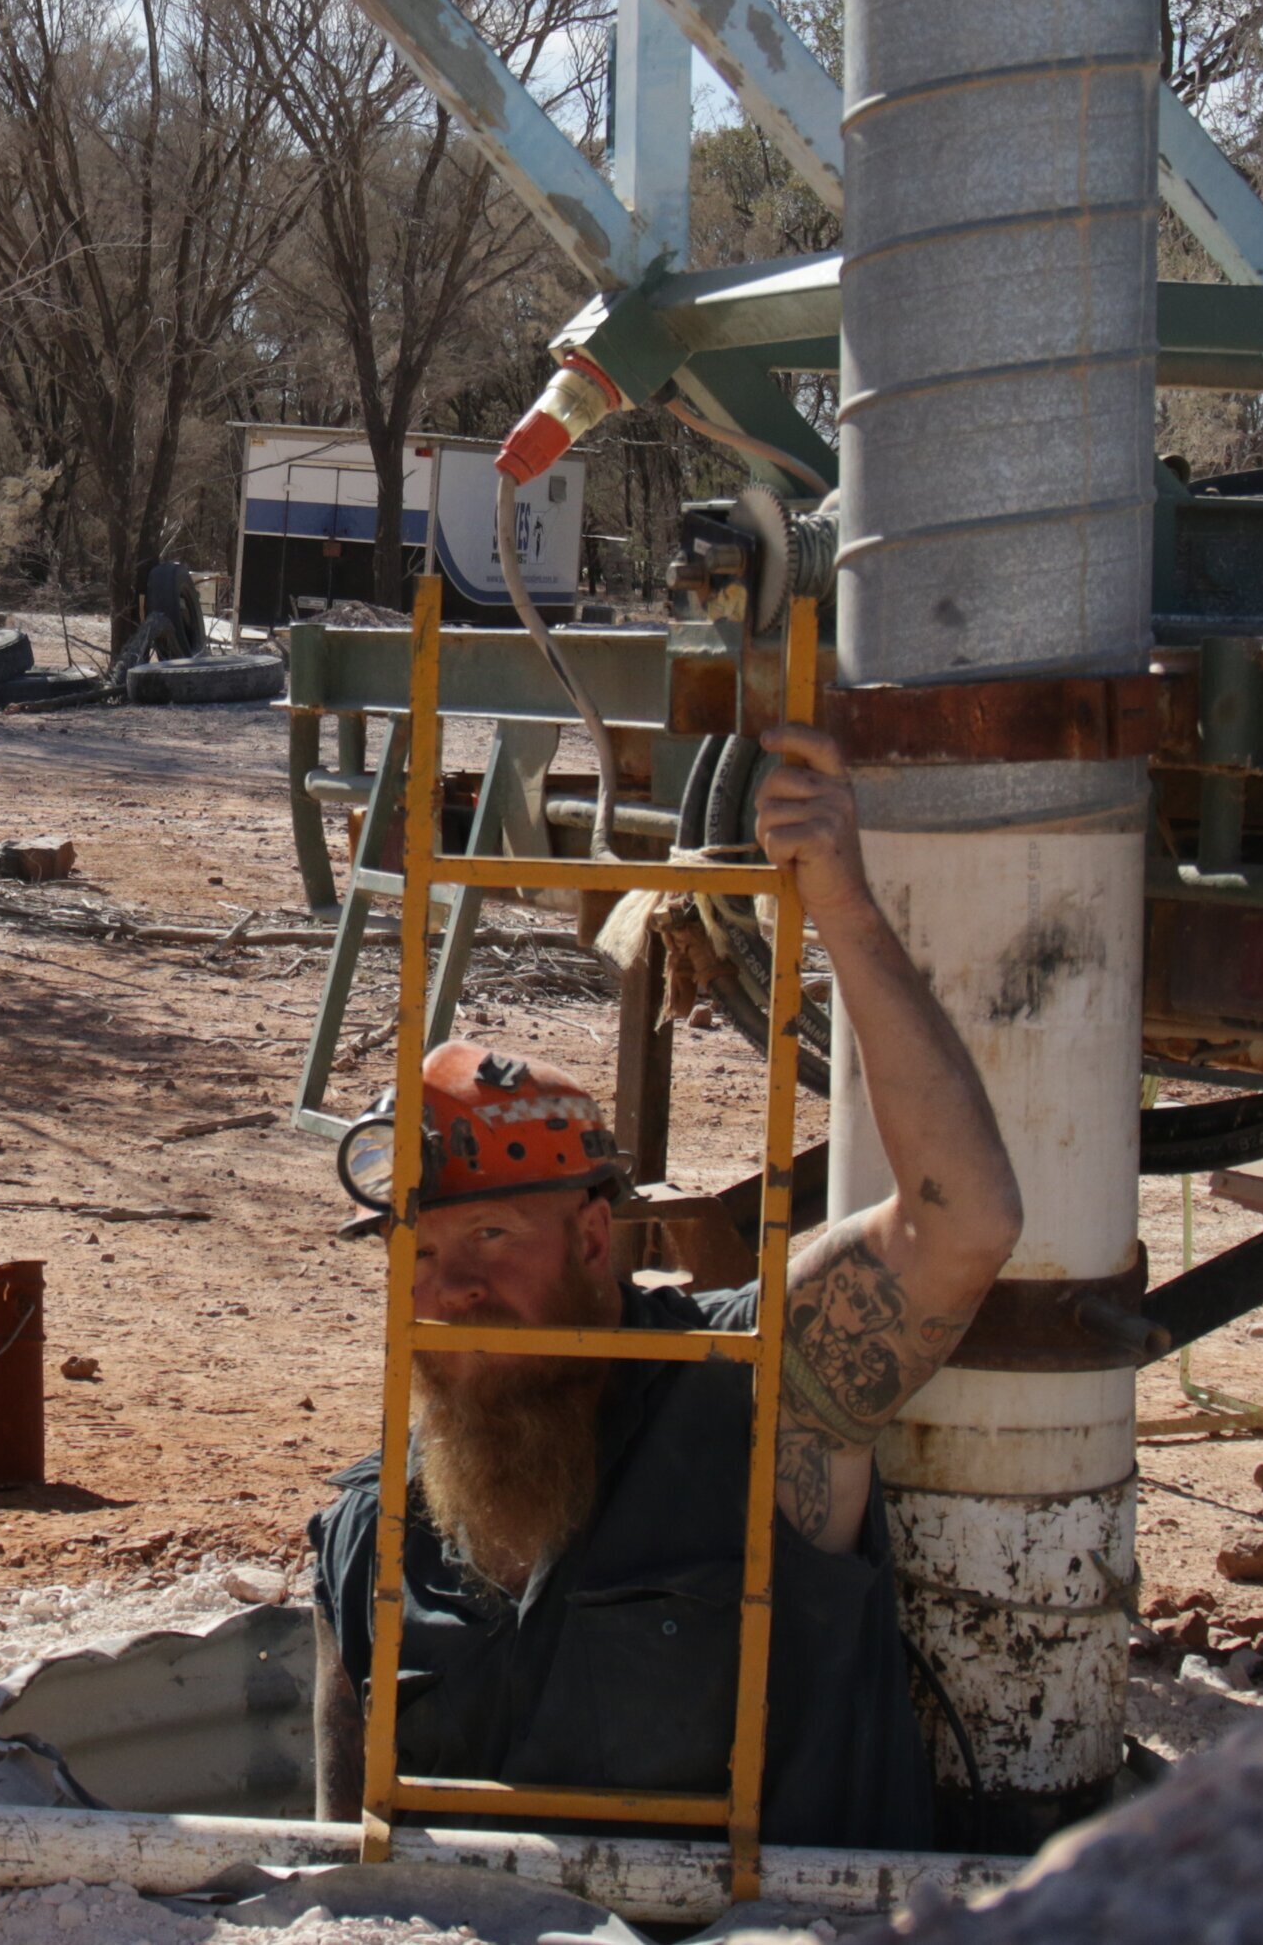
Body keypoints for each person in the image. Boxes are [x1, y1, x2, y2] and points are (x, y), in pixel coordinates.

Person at [306, 721, 1023, 1847]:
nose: (449, 1290)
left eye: (492, 1237)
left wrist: (839, 904)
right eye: (421, 1256)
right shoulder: (371, 1535)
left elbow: (961, 1220)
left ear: (597, 1241)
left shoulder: (750, 1394)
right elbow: (341, 1874)